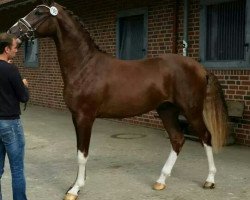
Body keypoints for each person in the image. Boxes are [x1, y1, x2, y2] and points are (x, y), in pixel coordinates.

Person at [0, 33, 29, 200]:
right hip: (10, 123)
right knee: (17, 169)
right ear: (6, 49)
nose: (16, 50)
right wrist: (24, 85)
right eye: (14, 47)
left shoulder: (8, 68)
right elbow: (23, 97)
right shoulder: (11, 69)